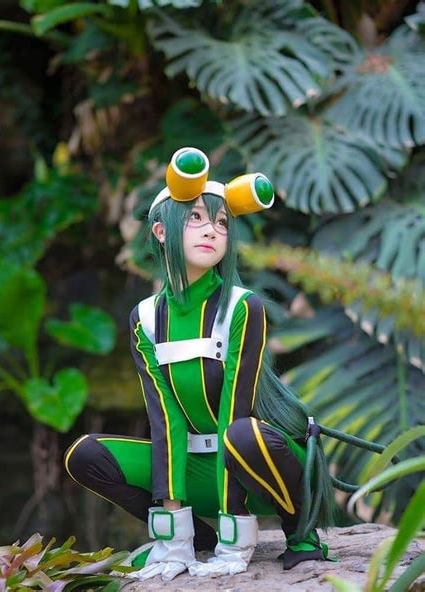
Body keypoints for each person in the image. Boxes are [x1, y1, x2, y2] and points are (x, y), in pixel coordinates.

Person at [64, 147, 335, 582]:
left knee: (242, 432)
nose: (212, 230)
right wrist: (173, 538)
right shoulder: (146, 318)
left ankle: (300, 533)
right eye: (195, 218)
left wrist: (238, 540)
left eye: (222, 222)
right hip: (195, 467)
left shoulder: (243, 307)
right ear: (159, 231)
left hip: (258, 467)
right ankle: (196, 543)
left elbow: (235, 410)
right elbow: (164, 417)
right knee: (86, 455)